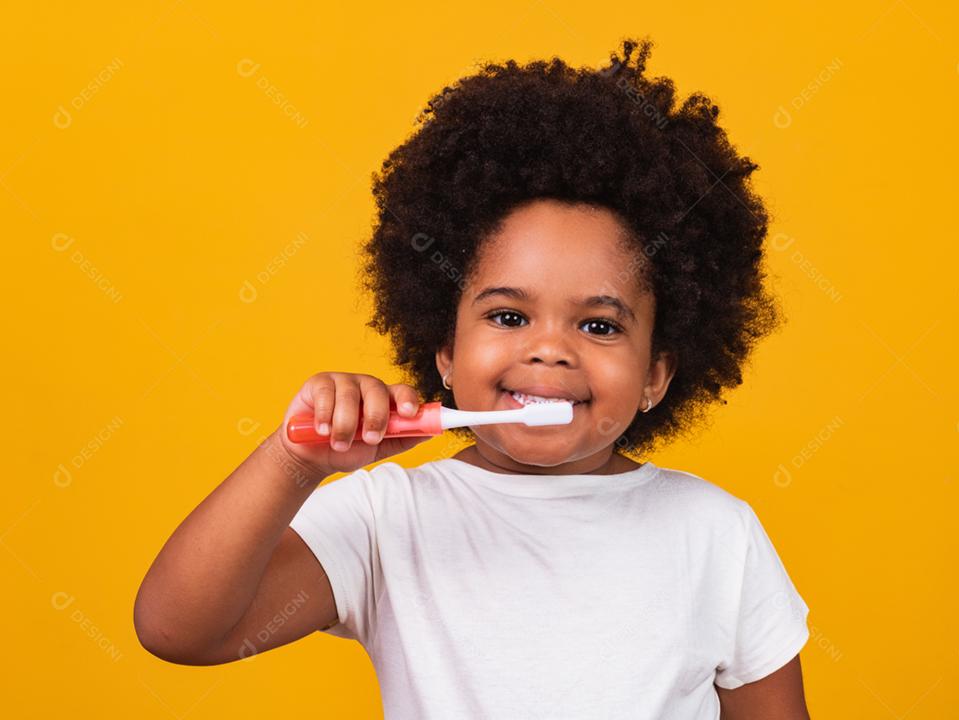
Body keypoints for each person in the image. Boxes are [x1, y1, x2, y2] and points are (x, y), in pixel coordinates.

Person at [134, 37, 812, 719]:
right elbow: (180, 630)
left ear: (656, 376)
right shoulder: (387, 519)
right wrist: (295, 461)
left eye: (600, 326)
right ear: (446, 355)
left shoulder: (716, 534)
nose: (549, 350)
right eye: (510, 316)